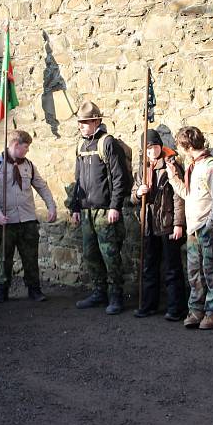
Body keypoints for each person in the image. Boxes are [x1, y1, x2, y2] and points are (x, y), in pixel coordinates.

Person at [166, 126, 213, 330]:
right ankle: (196, 310)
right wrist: (173, 176)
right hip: (194, 229)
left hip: (208, 229)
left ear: (188, 145)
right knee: (194, 273)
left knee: (211, 273)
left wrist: (210, 225)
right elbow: (188, 194)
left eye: (181, 146)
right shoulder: (193, 167)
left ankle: (212, 312)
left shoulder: (212, 167)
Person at [71, 101, 129, 315]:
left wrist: (115, 206)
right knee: (90, 253)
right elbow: (78, 180)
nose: (82, 126)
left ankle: (116, 297)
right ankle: (99, 292)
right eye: (80, 123)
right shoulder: (81, 145)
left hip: (105, 211)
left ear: (96, 121)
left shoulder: (107, 143)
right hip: (86, 211)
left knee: (110, 254)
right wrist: (75, 207)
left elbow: (119, 177)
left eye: (85, 122)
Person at [0, 130, 57, 303]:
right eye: (26, 147)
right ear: (16, 145)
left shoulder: (28, 165)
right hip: (5, 221)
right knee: (4, 257)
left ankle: (34, 289)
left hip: (27, 220)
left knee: (31, 257)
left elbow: (41, 186)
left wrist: (51, 206)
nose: (27, 151)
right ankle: (2, 289)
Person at [131, 129, 186, 320]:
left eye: (154, 147)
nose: (152, 152)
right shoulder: (142, 168)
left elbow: (179, 197)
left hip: (167, 222)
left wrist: (179, 224)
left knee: (172, 267)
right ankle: (148, 304)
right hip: (148, 223)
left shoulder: (171, 166)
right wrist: (139, 192)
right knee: (149, 266)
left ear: (160, 146)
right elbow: (132, 197)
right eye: (147, 149)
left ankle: (175, 308)